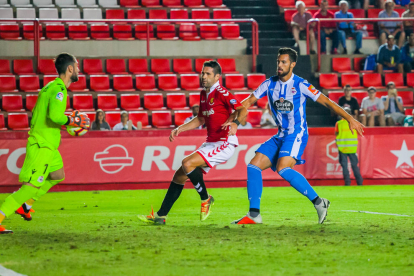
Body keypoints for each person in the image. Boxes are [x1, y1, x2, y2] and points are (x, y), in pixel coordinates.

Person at [230, 48, 364, 225]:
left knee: (283, 168)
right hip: (280, 135)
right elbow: (247, 102)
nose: (279, 65)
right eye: (278, 61)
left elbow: (327, 102)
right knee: (253, 167)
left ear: (293, 64)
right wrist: (234, 121)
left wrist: (349, 118)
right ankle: (254, 214)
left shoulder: (301, 85)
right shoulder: (269, 84)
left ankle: (319, 202)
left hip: (297, 133)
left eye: (284, 62)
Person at [138, 61, 247, 225]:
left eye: (208, 74)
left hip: (224, 142)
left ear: (217, 77)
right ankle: (160, 216)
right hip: (211, 142)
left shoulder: (222, 92)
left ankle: (206, 198)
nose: (203, 76)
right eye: (203, 73)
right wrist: (180, 128)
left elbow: (243, 109)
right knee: (179, 176)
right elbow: (201, 119)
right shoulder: (204, 94)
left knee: (187, 163)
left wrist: (235, 124)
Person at [0, 53, 89, 234]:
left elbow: (38, 112)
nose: (78, 70)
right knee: (30, 187)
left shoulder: (49, 86)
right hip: (42, 145)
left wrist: (64, 122)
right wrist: (71, 121)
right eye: (76, 67)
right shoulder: (59, 90)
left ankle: (25, 205)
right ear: (70, 69)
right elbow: (55, 117)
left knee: (57, 174)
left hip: (48, 144)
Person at [335, 107, 363, 186]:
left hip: (342, 148)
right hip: (352, 148)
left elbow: (336, 134)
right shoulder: (354, 123)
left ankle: (347, 183)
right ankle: (359, 183)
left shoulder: (339, 123)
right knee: (354, 166)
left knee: (344, 166)